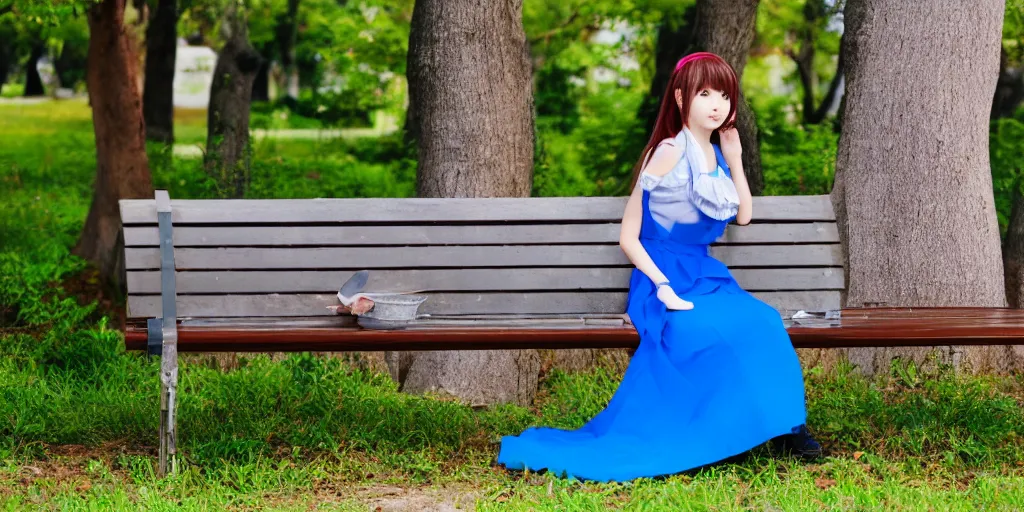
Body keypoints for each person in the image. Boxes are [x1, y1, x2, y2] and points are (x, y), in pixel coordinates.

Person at [496, 52, 821, 482]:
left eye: (723, 94)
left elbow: (742, 215)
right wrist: (663, 284)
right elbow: (629, 237)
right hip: (662, 276)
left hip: (704, 275)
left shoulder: (716, 154)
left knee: (762, 321)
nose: (716, 103)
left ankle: (787, 427)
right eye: (705, 93)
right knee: (699, 332)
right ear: (682, 97)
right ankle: (712, 434)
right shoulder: (667, 152)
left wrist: (736, 156)